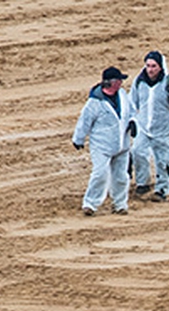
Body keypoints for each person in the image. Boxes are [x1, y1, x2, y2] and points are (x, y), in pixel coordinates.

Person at [72, 66, 135, 216]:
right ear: (113, 82)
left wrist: (133, 121)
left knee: (121, 177)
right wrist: (78, 139)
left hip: (122, 144)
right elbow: (85, 121)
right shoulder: (95, 102)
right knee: (100, 174)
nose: (121, 83)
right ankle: (90, 204)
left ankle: (120, 204)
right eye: (119, 80)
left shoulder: (122, 95)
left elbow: (131, 111)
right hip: (102, 146)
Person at [128, 51, 169, 201]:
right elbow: (132, 102)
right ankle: (143, 183)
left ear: (160, 67)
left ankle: (162, 189)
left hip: (163, 128)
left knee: (162, 160)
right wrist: (132, 120)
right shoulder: (139, 82)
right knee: (138, 152)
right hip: (143, 127)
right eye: (148, 65)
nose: (150, 69)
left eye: (154, 66)